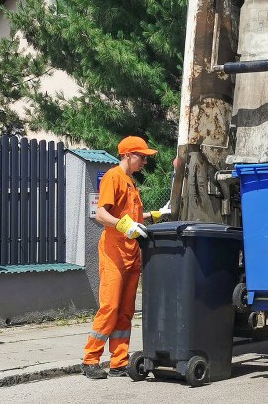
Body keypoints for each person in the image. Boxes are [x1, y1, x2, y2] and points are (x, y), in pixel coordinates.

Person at [82, 135, 157, 379]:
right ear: (128, 155)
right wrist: (125, 227)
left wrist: (154, 215)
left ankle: (119, 362)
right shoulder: (114, 176)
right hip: (114, 251)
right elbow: (101, 215)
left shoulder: (130, 182)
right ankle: (90, 360)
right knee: (110, 307)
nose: (144, 161)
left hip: (131, 252)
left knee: (126, 310)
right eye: (142, 157)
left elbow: (130, 219)